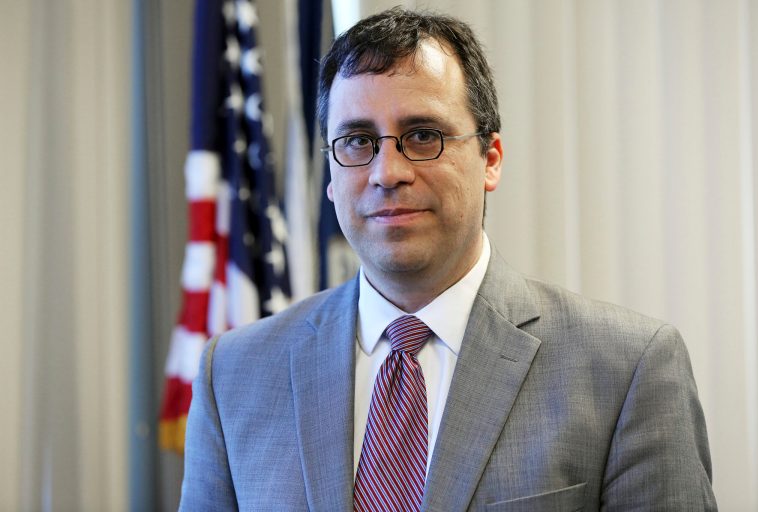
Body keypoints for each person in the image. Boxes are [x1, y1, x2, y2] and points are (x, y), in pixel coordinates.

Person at [180, 7, 716, 511]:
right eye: (357, 141)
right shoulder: (233, 374)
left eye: (422, 136)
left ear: (491, 159)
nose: (388, 172)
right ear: (331, 174)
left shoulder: (627, 369)